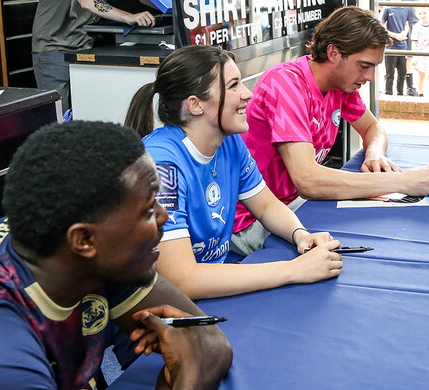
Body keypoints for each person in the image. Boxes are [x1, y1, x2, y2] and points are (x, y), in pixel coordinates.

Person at [0, 121, 232, 389]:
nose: (164, 216)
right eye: (147, 210)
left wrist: (190, 369)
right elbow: (198, 355)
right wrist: (187, 377)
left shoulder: (91, 249)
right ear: (84, 240)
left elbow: (209, 342)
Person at [125, 45, 343, 298]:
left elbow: (265, 206)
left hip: (212, 281)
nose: (247, 94)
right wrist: (294, 270)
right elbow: (182, 279)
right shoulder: (161, 165)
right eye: (233, 86)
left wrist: (300, 234)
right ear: (195, 104)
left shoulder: (229, 142)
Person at [234, 6, 429, 252]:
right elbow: (308, 181)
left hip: (296, 204)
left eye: (374, 66)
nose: (371, 76)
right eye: (364, 65)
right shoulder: (286, 84)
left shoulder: (340, 84)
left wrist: (374, 153)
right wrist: (400, 182)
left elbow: (373, 127)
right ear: (333, 53)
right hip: (254, 218)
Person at [380, 0, 415, 96]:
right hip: (391, 46)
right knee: (390, 74)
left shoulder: (406, 7)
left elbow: (407, 24)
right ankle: (388, 94)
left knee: (402, 73)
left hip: (402, 46)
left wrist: (404, 33)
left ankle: (400, 94)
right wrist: (394, 35)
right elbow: (381, 26)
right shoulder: (387, 8)